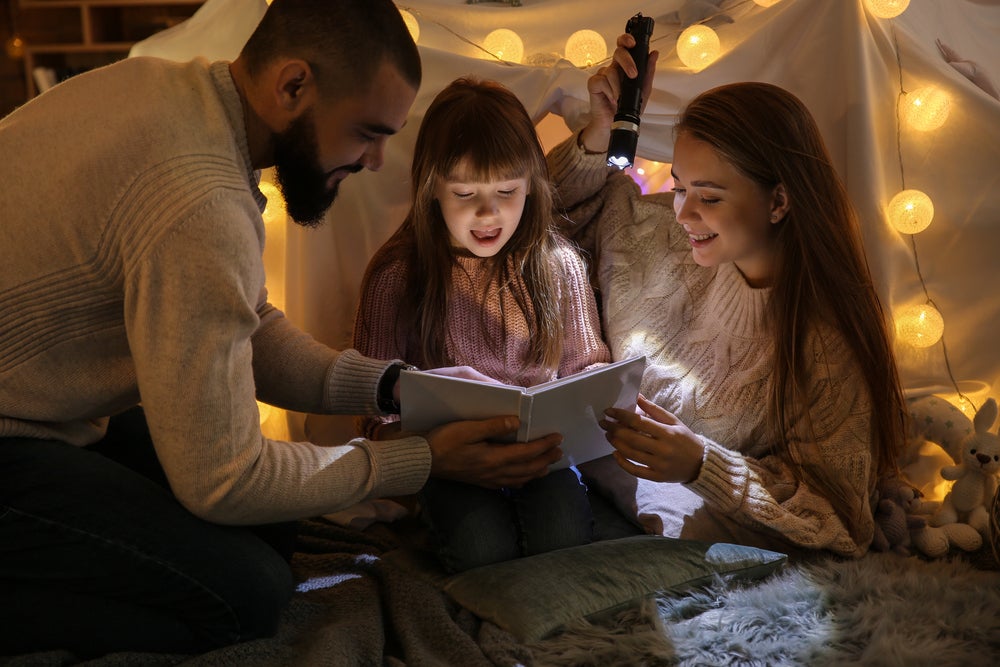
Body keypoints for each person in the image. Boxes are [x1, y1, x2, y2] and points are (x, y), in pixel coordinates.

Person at [0, 0, 562, 657]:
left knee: (272, 527)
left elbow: (245, 319)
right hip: (14, 429)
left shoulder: (167, 90)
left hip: (39, 398)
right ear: (293, 85)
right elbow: (223, 480)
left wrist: (397, 388)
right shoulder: (199, 201)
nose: (378, 161)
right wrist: (423, 459)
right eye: (367, 132)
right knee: (249, 595)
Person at [546, 33, 909, 558]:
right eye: (678, 186)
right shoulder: (662, 240)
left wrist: (702, 465)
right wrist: (602, 131)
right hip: (583, 483)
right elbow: (531, 219)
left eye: (709, 196)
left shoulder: (822, 351)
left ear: (779, 200)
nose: (683, 213)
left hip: (665, 525)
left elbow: (834, 519)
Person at [350, 77, 612, 572]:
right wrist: (409, 447)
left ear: (531, 185)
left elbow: (589, 364)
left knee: (564, 539)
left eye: (507, 191)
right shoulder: (398, 276)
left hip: (542, 455)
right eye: (465, 192)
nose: (487, 212)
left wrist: (596, 400)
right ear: (432, 190)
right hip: (450, 462)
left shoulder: (557, 264)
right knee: (480, 551)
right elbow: (369, 402)